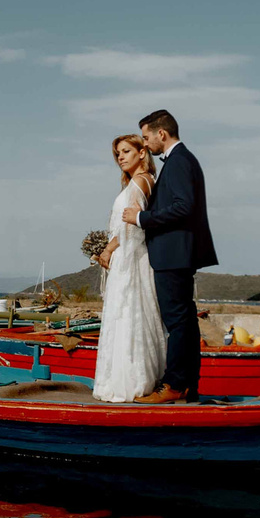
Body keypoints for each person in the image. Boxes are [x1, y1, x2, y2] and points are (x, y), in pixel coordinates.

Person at [120, 109, 217, 402]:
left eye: (147, 137)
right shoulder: (183, 160)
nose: (146, 144)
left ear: (161, 134)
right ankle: (188, 386)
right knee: (185, 322)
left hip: (173, 254)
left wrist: (142, 218)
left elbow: (183, 207)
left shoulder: (178, 162)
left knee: (177, 322)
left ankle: (174, 386)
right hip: (179, 254)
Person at [91, 134, 167, 401]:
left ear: (142, 152)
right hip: (130, 255)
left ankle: (132, 380)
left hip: (131, 258)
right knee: (129, 315)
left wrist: (110, 249)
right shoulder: (142, 182)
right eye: (117, 154)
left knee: (127, 314)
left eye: (126, 151)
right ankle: (134, 378)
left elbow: (131, 224)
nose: (120, 157)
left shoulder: (140, 182)